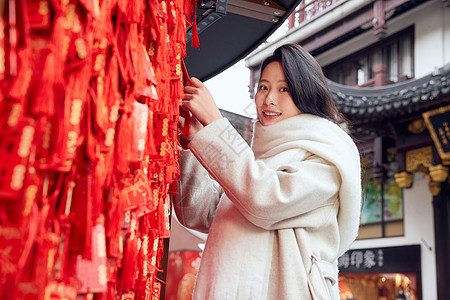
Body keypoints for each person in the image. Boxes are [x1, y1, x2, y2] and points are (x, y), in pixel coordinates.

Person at [174, 44, 362, 299]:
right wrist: (191, 142)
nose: (268, 98)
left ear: (307, 94)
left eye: (284, 89)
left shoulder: (328, 156)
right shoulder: (253, 163)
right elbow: (199, 213)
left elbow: (265, 199)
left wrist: (216, 123)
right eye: (263, 87)